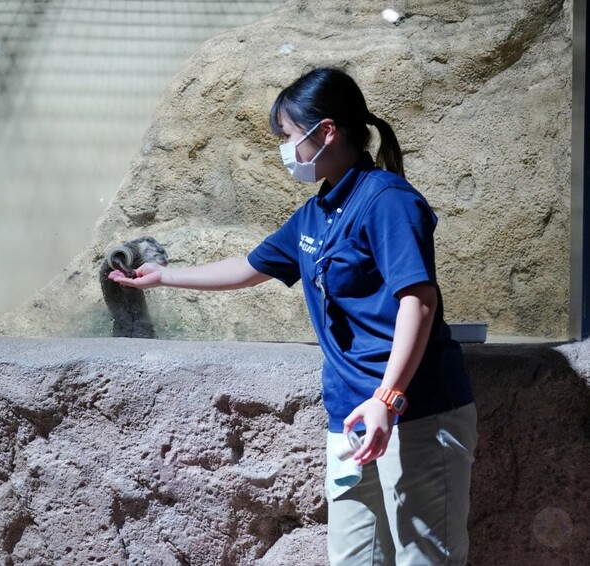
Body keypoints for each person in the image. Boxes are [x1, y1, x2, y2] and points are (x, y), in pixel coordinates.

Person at [109, 67, 477, 565]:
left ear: (326, 131)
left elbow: (420, 301)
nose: (286, 150)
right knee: (354, 556)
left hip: (414, 411)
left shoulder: (388, 201)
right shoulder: (317, 212)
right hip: (349, 414)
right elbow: (248, 267)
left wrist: (388, 400)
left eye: (287, 135)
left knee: (426, 558)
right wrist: (163, 277)